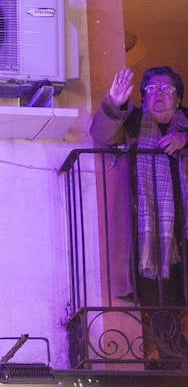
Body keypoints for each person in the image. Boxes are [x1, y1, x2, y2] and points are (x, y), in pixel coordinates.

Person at [90, 66, 188, 366]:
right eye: (151, 88)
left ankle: (172, 357)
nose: (158, 94)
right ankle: (174, 359)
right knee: (157, 299)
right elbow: (102, 135)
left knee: (174, 295)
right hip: (147, 234)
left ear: (179, 97)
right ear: (143, 97)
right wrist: (114, 103)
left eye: (166, 88)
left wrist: (185, 137)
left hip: (182, 232)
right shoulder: (132, 121)